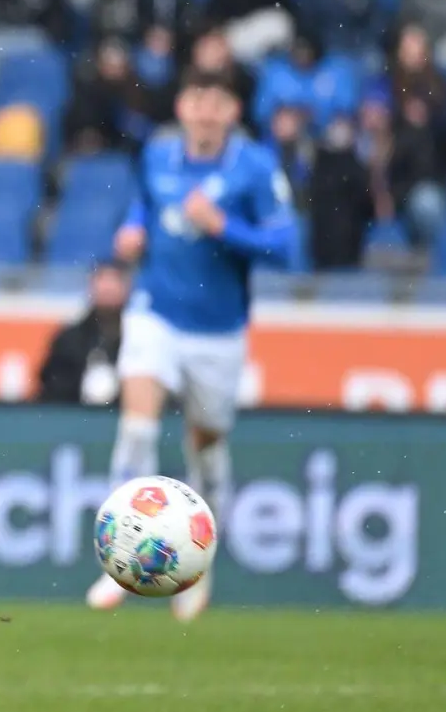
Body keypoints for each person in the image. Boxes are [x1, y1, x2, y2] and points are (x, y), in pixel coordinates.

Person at [85, 68, 300, 622]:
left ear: (232, 111)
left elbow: (285, 245)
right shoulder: (158, 155)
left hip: (218, 331)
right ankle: (118, 561)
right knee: (137, 423)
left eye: (217, 102)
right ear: (182, 105)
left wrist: (224, 226)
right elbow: (143, 208)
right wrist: (132, 231)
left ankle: (197, 568)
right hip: (156, 311)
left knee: (205, 448)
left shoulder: (253, 167)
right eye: (197, 99)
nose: (205, 111)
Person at [36, 260, 126, 405]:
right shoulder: (69, 339)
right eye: (102, 280)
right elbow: (51, 389)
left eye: (115, 281)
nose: (108, 288)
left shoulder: (138, 340)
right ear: (91, 286)